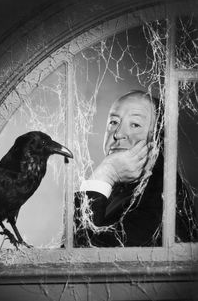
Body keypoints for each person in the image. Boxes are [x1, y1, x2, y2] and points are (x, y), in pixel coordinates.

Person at [74, 90, 198, 247]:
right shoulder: (125, 186)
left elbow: (81, 256)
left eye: (135, 125)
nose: (118, 134)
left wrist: (105, 174)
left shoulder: (159, 194)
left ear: (157, 140)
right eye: (113, 122)